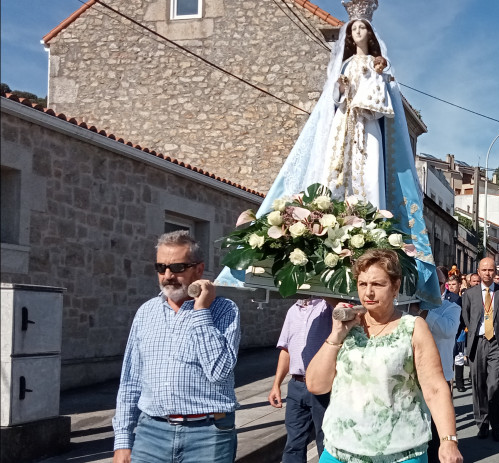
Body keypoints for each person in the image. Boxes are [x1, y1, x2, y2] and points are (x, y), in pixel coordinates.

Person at [215, 2, 441, 308]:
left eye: (363, 28)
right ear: (349, 36)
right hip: (344, 129)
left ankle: (370, 223)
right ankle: (336, 220)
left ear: (370, 35)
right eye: (355, 29)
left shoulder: (378, 65)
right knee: (338, 172)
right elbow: (332, 99)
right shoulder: (346, 65)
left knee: (369, 170)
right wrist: (341, 88)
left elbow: (385, 101)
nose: (359, 32)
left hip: (369, 129)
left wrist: (380, 79)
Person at [306, 249, 463, 463]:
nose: (369, 292)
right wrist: (336, 335)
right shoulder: (348, 326)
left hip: (400, 452)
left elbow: (435, 388)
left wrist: (448, 441)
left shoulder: (413, 327)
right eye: (363, 284)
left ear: (395, 287)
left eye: (378, 284)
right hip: (341, 450)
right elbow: (316, 385)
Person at [112, 231, 240, 463]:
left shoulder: (224, 311)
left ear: (199, 270)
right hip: (150, 434)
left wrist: (201, 311)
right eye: (161, 268)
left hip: (208, 434)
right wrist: (122, 439)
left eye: (178, 267)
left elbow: (219, 372)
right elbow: (131, 380)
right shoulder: (146, 312)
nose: (168, 276)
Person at [269, 299, 333, 462]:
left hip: (323, 387)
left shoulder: (327, 306)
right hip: (296, 386)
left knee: (326, 441)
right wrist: (276, 385)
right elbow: (286, 349)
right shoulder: (292, 311)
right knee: (293, 443)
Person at [409, 268, 462, 463]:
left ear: (443, 286)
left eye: (437, 284)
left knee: (435, 430)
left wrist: (423, 311)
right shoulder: (407, 308)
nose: (431, 289)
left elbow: (447, 331)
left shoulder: (451, 307)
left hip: (440, 377)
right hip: (412, 377)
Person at [461, 257, 499, 441]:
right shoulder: (469, 294)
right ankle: (482, 423)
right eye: (484, 270)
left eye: (491, 270)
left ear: (495, 272)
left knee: (495, 385)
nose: (487, 273)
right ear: (478, 271)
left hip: (496, 343)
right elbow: (467, 318)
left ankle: (497, 425)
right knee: (478, 385)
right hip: (477, 342)